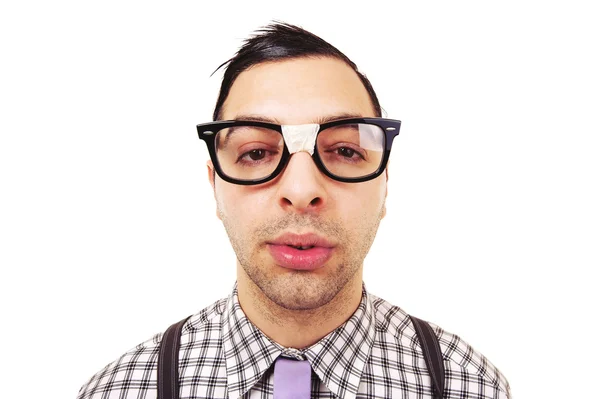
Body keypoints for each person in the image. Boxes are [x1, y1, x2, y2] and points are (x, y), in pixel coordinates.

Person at [77, 22, 511, 399]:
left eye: (344, 150)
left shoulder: (469, 385)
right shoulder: (120, 388)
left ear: (384, 181)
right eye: (256, 153)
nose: (302, 191)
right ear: (215, 184)